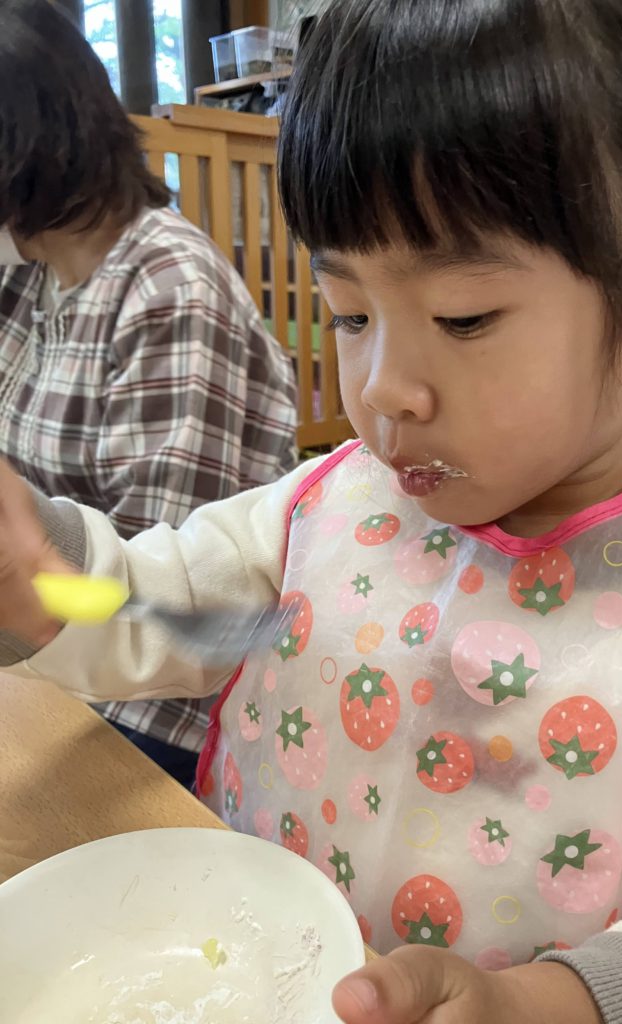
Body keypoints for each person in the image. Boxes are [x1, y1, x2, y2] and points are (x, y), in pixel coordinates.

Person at [0, 1, 622, 1021]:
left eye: (463, 317)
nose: (382, 388)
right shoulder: (328, 507)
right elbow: (158, 606)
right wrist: (39, 575)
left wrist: (536, 1005)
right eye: (350, 313)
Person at [0, 0, 297, 786]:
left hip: (154, 698)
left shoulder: (169, 290)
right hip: (50, 650)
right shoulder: (27, 280)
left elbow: (155, 603)